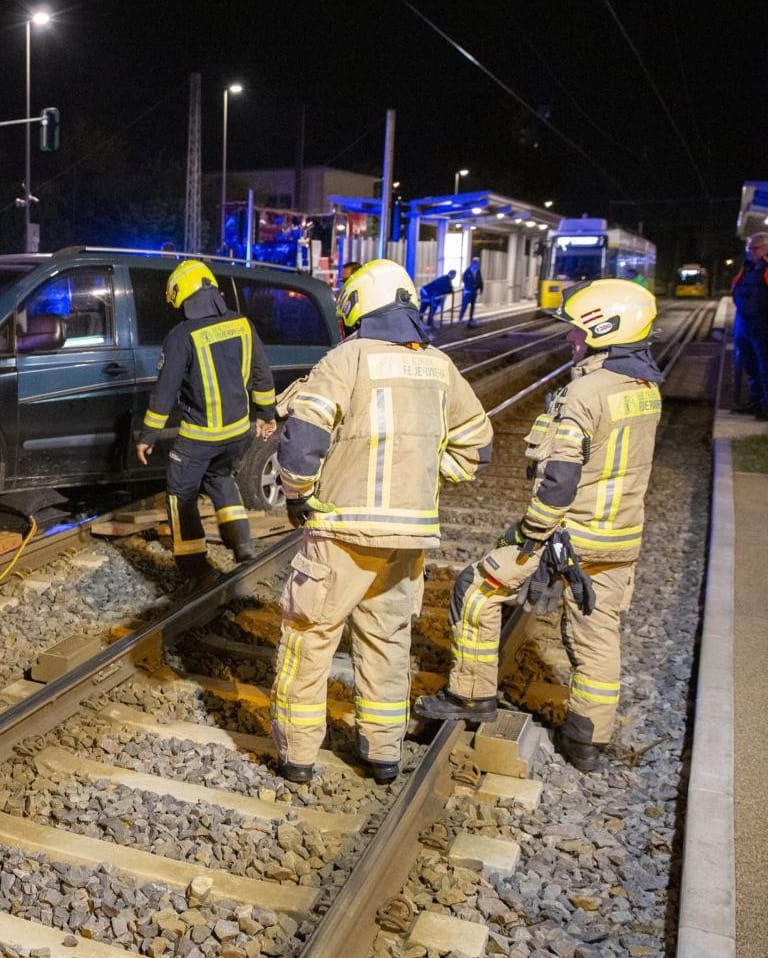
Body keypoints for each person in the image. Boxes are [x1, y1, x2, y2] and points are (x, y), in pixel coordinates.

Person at [416, 280, 663, 773]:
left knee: (476, 590)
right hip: (620, 538)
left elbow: (559, 479)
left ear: (603, 330)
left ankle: (470, 694)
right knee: (598, 632)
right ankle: (587, 740)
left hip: (569, 536)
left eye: (576, 330)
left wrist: (533, 534)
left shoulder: (585, 393)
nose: (570, 339)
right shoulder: (645, 389)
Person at [270, 259, 491, 785]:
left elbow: (302, 445)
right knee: (388, 639)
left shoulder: (346, 359)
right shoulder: (439, 365)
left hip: (342, 533)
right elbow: (476, 447)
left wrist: (299, 496)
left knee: (309, 637)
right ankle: (383, 752)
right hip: (408, 539)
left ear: (355, 306)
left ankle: (298, 756)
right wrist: (420, 479)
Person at [133, 260, 277, 581]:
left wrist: (148, 435)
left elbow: (165, 391)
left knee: (180, 492)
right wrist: (266, 414)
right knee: (220, 478)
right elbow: (261, 374)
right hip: (239, 434)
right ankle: (242, 544)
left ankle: (194, 565)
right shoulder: (243, 324)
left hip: (200, 437)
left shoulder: (181, 335)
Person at [731, 232, 768, 416]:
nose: (751, 252)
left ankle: (766, 407)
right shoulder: (748, 267)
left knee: (765, 366)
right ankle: (757, 402)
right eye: (749, 248)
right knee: (751, 365)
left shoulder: (765, 268)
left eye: (755, 248)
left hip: (763, 324)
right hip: (745, 322)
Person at [457, 258, 483, 325]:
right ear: (472, 264)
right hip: (468, 291)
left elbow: (480, 280)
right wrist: (468, 286)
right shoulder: (467, 271)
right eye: (475, 265)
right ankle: (460, 318)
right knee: (464, 305)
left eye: (477, 265)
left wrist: (481, 288)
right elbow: (464, 279)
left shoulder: (478, 271)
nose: (476, 266)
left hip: (474, 291)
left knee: (472, 306)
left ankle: (471, 318)